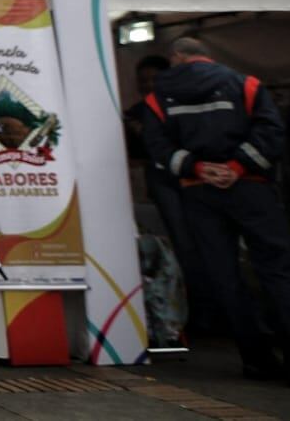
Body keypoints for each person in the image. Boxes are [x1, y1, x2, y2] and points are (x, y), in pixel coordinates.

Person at [142, 36, 290, 380]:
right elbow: (272, 131)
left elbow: (159, 147)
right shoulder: (246, 84)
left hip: (200, 195)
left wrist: (198, 168)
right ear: (206, 57)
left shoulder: (157, 98)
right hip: (251, 189)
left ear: (177, 56)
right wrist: (237, 168)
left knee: (225, 277)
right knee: (277, 270)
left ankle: (256, 359)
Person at [122, 54, 206, 336]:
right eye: (142, 79)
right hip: (153, 191)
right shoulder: (133, 113)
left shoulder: (178, 109)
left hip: (187, 183)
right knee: (172, 247)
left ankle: (200, 312)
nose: (147, 84)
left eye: (153, 78)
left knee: (192, 245)